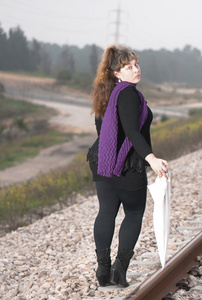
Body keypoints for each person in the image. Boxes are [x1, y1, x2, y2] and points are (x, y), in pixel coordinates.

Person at [88, 44, 168, 287]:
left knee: (106, 212)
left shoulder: (106, 95)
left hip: (103, 163)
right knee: (133, 213)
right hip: (128, 166)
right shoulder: (129, 94)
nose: (136, 70)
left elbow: (101, 130)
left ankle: (103, 270)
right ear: (117, 73)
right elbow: (133, 131)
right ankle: (118, 270)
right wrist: (151, 158)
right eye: (129, 67)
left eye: (136, 64)